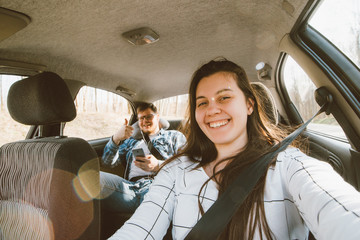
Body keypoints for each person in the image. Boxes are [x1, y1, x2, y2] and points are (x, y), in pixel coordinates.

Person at [108, 59, 360, 239]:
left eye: (225, 97)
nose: (212, 109)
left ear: (249, 105)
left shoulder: (289, 165)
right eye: (202, 102)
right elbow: (141, 227)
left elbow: (338, 209)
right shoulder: (176, 169)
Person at [100, 102, 186, 213]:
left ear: (158, 117)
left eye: (149, 116)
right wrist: (116, 138)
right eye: (141, 118)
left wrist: (158, 165)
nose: (145, 121)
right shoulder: (131, 141)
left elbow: (187, 165)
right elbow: (108, 163)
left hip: (160, 186)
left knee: (150, 213)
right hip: (130, 189)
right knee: (91, 179)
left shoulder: (174, 136)